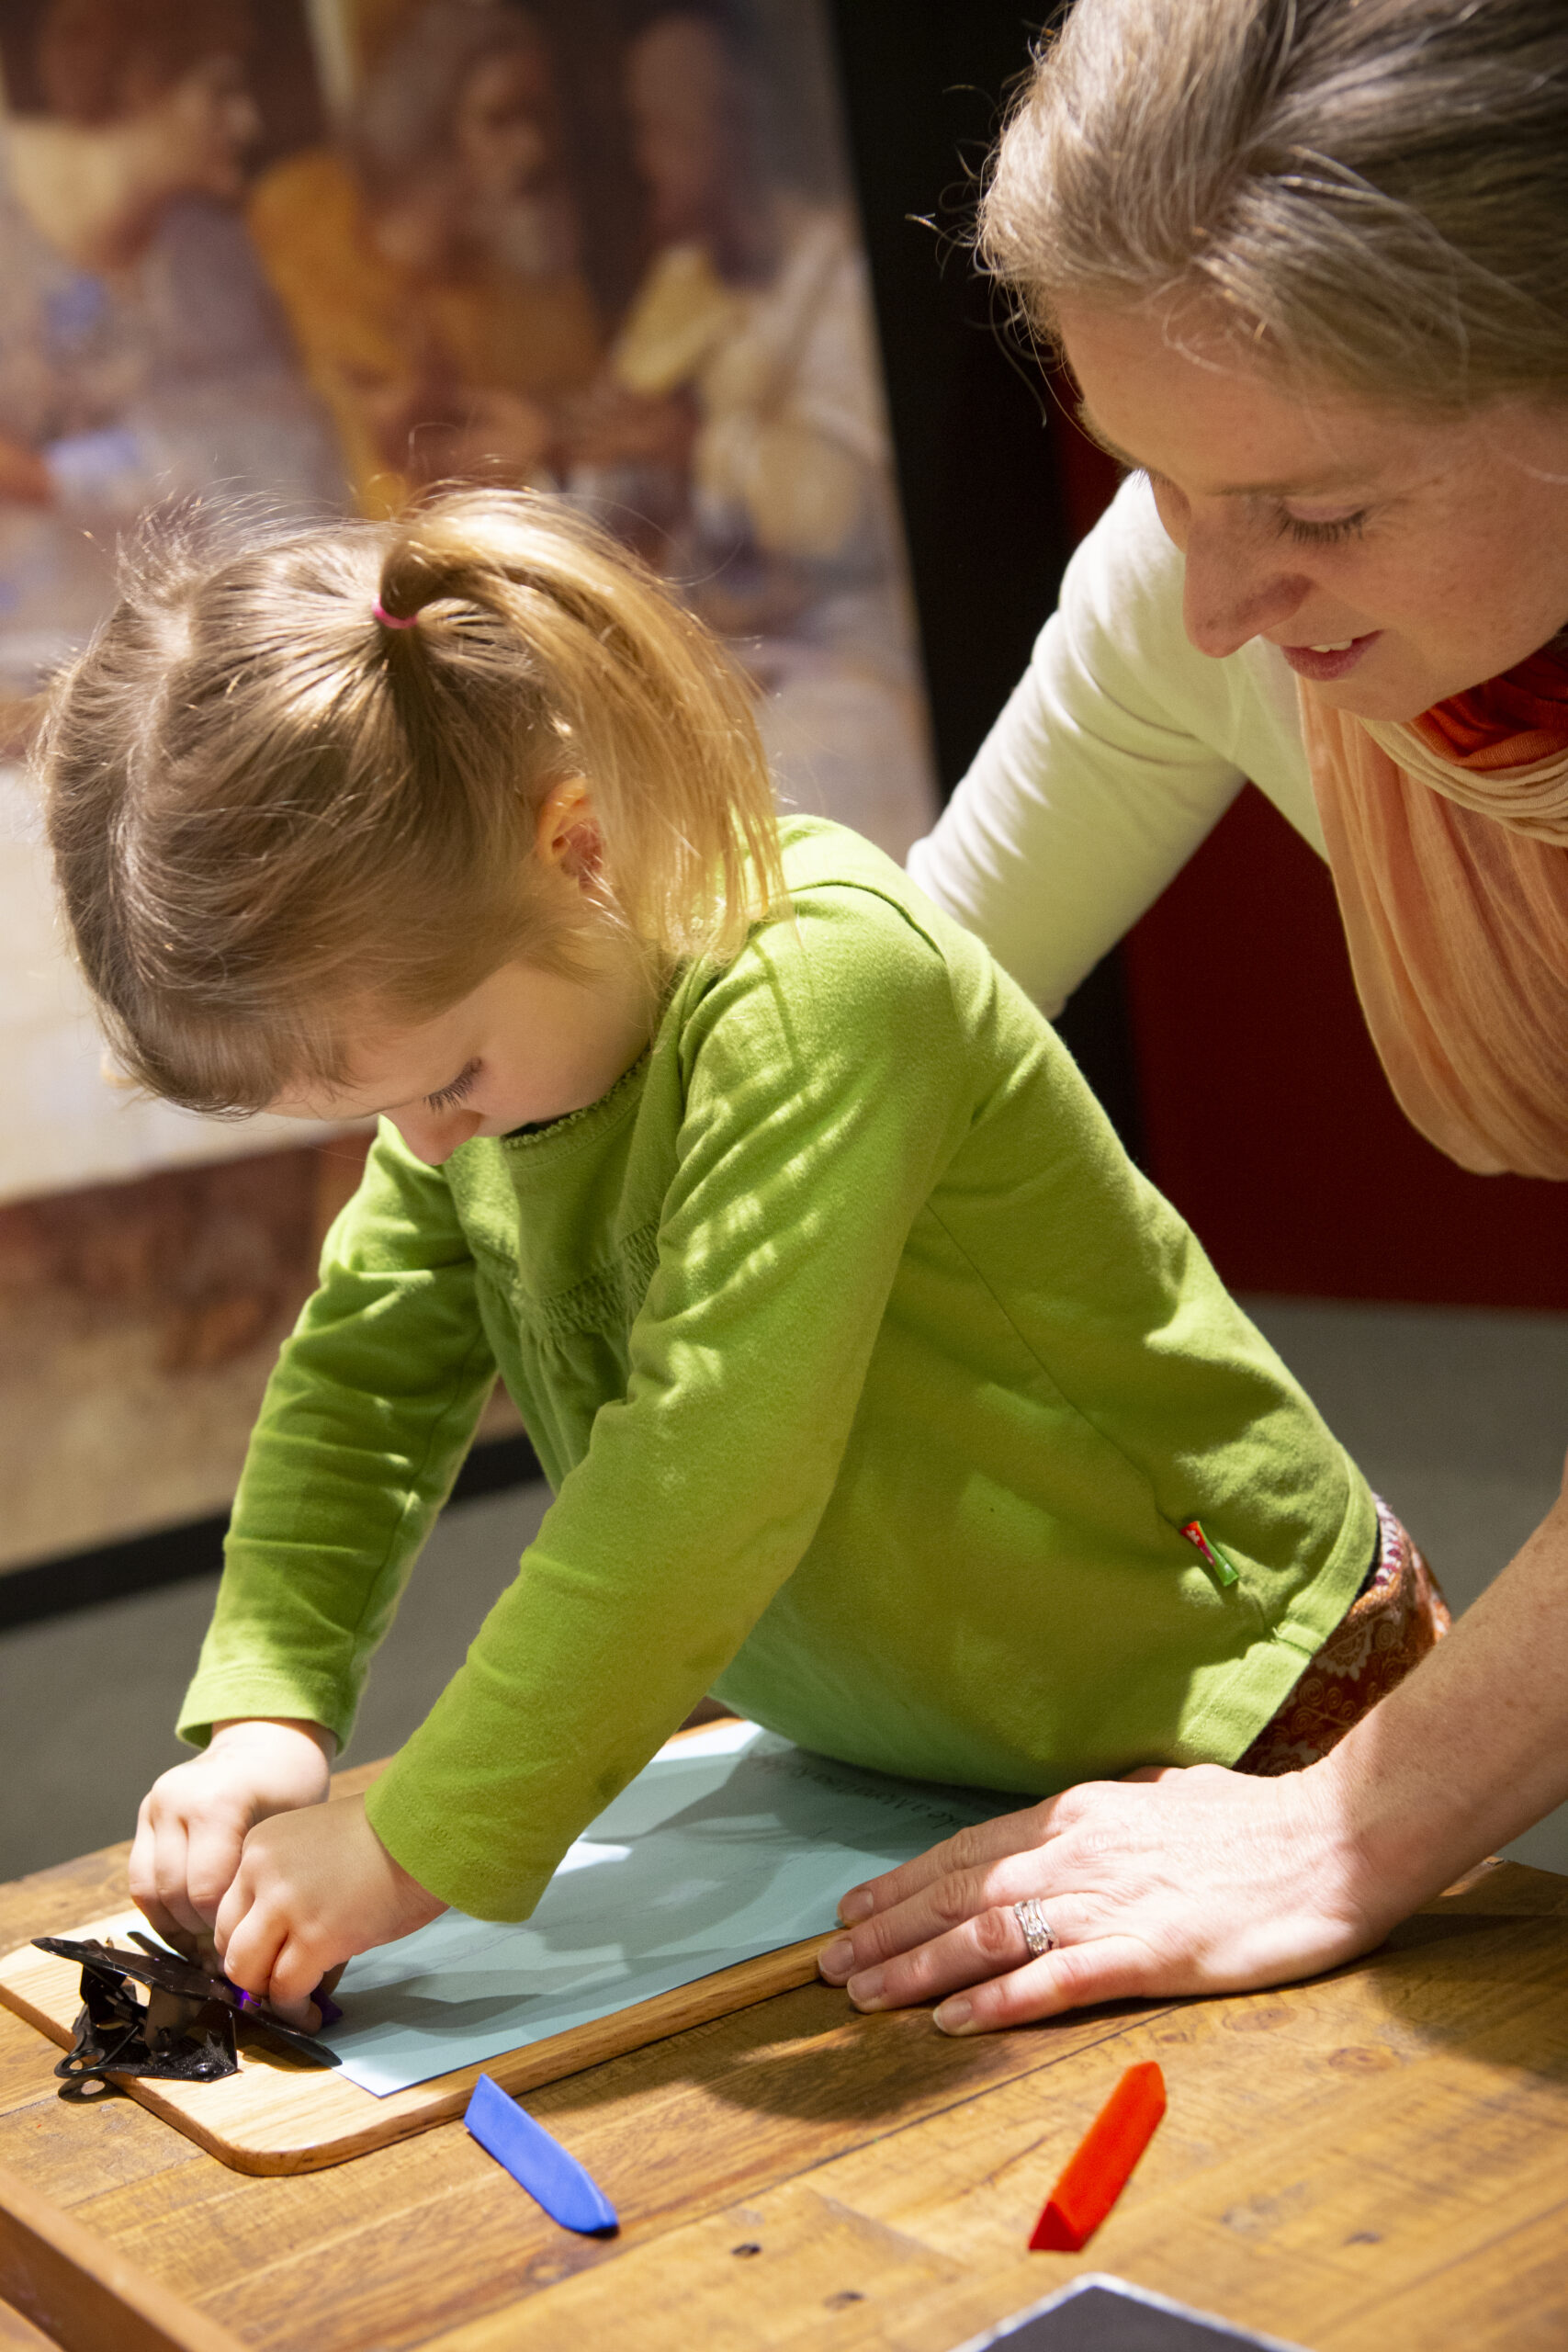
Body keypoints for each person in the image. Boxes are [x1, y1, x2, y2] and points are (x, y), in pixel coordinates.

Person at [44, 487, 1436, 2020]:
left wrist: (408, 1845)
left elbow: (700, 1475)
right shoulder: (480, 1076)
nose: (426, 1147)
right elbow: (361, 1382)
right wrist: (269, 1711)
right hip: (915, 1745)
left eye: (445, 1082)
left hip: (1235, 1698)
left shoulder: (823, 985)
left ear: (577, 848)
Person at [816, 0, 1568, 2036]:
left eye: (1316, 513)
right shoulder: (1203, 582)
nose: (1216, 599)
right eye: (1159, 476)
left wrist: (1347, 1825)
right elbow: (897, 1021)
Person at [565, 6, 935, 859]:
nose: (643, 160)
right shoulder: (686, 277)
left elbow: (839, 511)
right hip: (723, 648)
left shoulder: (839, 274)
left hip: (845, 658)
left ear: (730, 133)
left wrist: (695, 446)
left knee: (770, 790)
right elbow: (611, 463)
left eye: (662, 131)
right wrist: (564, 449)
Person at [0, 0, 342, 722]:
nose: (245, 122)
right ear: (141, 84)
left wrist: (58, 478)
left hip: (148, 684)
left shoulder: (208, 256)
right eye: (220, 89)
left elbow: (280, 457)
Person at [248, 0, 600, 516]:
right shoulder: (299, 215)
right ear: (425, 122)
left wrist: (534, 456)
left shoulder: (530, 292)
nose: (532, 149)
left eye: (539, 117)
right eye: (499, 119)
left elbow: (571, 424)